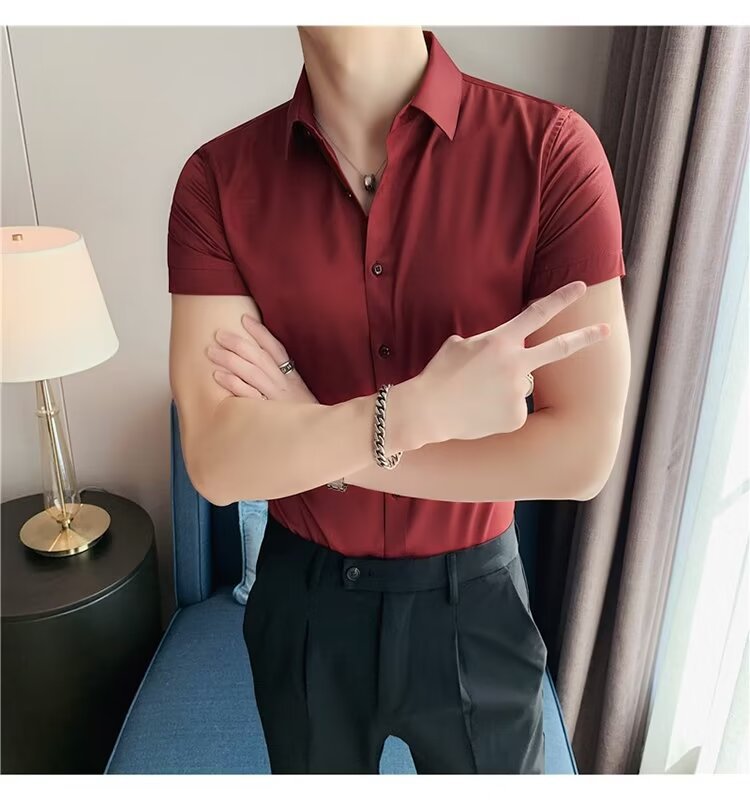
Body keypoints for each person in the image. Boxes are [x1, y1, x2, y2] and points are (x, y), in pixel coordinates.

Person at [167, 26, 630, 774]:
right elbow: (219, 464)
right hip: (303, 599)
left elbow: (580, 455)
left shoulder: (551, 152)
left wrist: (328, 438)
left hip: (475, 598)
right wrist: (417, 413)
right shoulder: (217, 181)